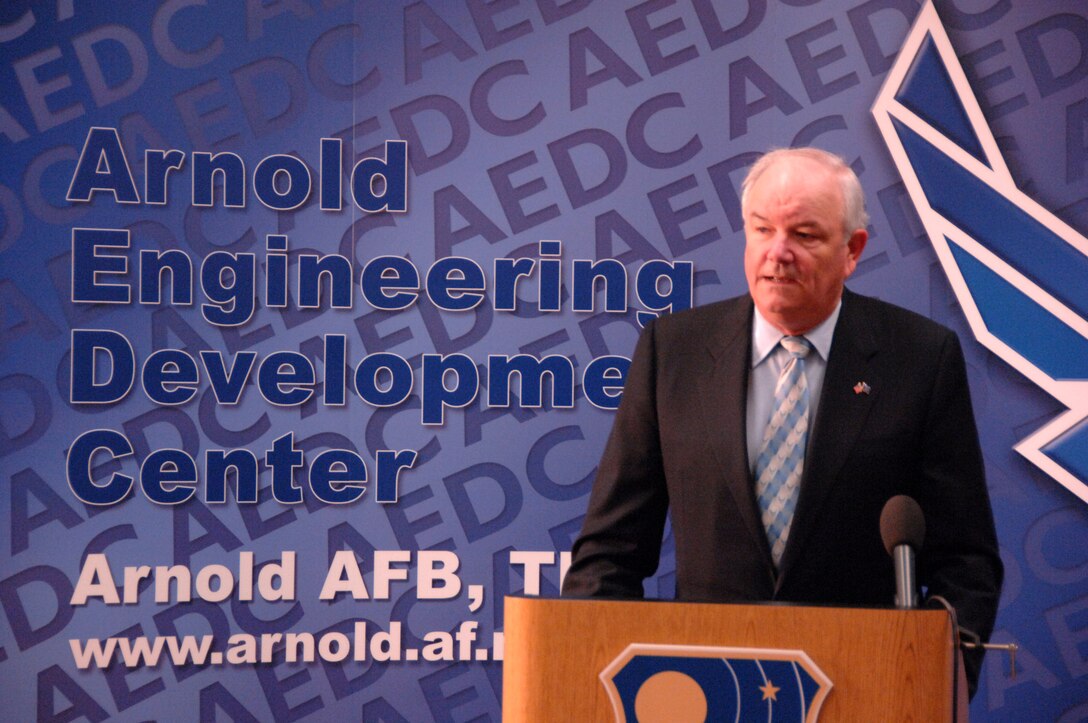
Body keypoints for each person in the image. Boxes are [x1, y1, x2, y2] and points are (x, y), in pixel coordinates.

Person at [561, 147, 1002, 696]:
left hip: (861, 692)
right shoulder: (673, 351)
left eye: (805, 236)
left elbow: (966, 561)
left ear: (852, 250)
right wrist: (596, 681)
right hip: (698, 691)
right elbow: (609, 551)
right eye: (762, 229)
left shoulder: (920, 357)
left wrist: (935, 685)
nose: (778, 253)